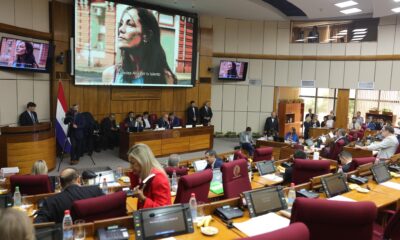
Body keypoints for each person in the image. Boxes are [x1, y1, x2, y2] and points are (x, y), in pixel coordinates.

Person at [102, 7, 177, 85]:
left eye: (130, 24)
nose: (121, 29)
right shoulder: (110, 74)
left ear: (147, 35)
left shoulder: (165, 78)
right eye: (121, 23)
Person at [34, 168, 104, 223]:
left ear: (60, 184)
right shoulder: (95, 190)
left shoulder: (51, 202)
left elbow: (38, 224)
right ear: (78, 180)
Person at [128, 144, 171, 209]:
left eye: (133, 163)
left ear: (142, 162)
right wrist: (134, 172)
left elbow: (163, 209)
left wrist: (143, 198)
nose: (130, 167)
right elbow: (134, 188)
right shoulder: (145, 173)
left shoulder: (159, 178)